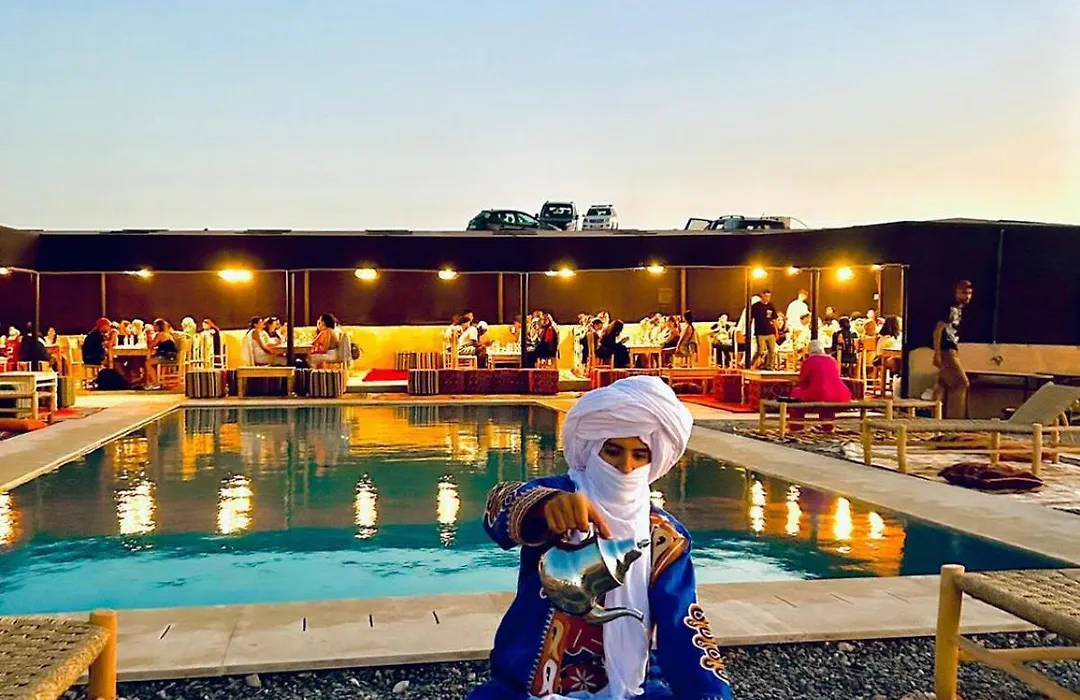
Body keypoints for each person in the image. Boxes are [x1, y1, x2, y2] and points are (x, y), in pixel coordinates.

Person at [469, 376, 733, 700]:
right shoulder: (560, 496)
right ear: (594, 448)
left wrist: (709, 693)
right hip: (528, 685)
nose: (626, 467)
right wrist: (546, 507)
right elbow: (498, 510)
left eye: (640, 455)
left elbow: (681, 623)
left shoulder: (664, 538)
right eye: (613, 451)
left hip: (630, 687)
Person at [788, 340, 853, 432]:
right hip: (841, 395)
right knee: (826, 401)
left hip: (820, 394)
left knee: (796, 396)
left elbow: (802, 380)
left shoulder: (809, 361)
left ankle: (796, 427)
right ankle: (828, 427)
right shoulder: (832, 360)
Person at [934, 280, 974, 419]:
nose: (967, 296)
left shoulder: (958, 309)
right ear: (956, 293)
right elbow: (938, 330)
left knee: (943, 384)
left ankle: (938, 416)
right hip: (946, 349)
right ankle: (955, 419)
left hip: (952, 348)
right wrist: (937, 353)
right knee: (961, 383)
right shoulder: (949, 308)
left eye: (969, 293)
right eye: (964, 293)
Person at [146, 318, 179, 385]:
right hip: (172, 356)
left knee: (148, 363)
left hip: (168, 357)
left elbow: (150, 346)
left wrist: (148, 335)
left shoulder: (160, 335)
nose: (153, 327)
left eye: (154, 325)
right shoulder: (167, 334)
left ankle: (155, 383)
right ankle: (155, 381)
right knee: (152, 360)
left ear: (158, 326)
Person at [751, 289, 778, 370]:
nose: (767, 298)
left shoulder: (771, 306)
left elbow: (774, 319)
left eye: (769, 296)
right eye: (766, 296)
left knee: (772, 350)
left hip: (770, 331)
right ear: (762, 296)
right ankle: (751, 363)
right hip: (760, 332)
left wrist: (776, 331)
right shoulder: (756, 306)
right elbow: (751, 318)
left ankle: (769, 366)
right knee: (760, 351)